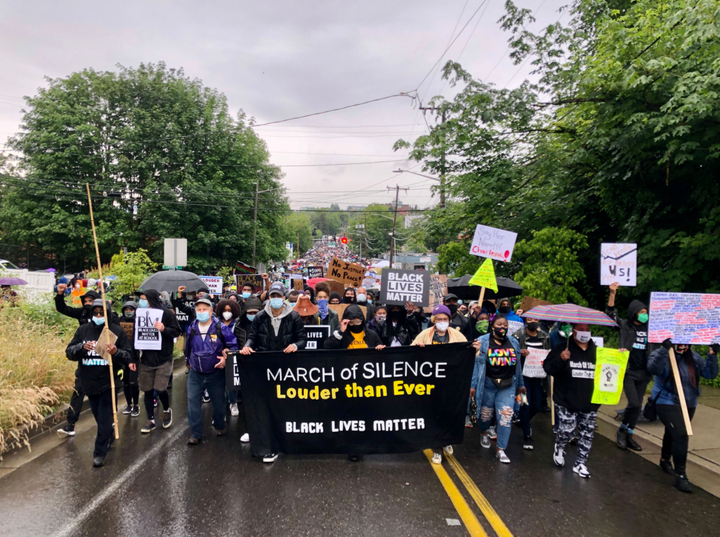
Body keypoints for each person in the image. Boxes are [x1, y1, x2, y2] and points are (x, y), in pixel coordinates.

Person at [240, 282, 306, 463]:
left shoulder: (294, 317)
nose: (276, 299)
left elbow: (302, 339)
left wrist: (295, 345)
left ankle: (287, 437)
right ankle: (262, 437)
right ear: (269, 298)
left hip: (287, 367)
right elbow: (252, 338)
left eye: (278, 296)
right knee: (264, 402)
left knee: (285, 402)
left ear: (284, 298)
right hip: (265, 366)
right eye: (273, 296)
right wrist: (247, 347)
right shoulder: (260, 316)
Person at [65, 299, 133, 467]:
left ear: (108, 314)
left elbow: (127, 356)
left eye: (101, 313)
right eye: (95, 313)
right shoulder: (83, 330)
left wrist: (115, 352)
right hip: (88, 381)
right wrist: (82, 348)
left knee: (104, 418)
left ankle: (99, 453)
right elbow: (69, 352)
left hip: (108, 382)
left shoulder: (115, 331)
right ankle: (108, 432)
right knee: (99, 417)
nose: (98, 316)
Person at [648, 340, 719, 493]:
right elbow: (653, 368)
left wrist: (712, 355)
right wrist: (663, 350)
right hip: (666, 401)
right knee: (681, 434)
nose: (682, 345)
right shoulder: (662, 353)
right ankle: (681, 475)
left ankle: (664, 459)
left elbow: (710, 374)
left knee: (673, 431)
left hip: (688, 402)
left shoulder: (693, 357)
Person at [325, 304, 385, 461]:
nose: (354, 325)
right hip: (346, 382)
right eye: (351, 322)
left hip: (366, 383)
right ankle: (352, 447)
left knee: (363, 415)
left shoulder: (371, 335)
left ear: (363, 320)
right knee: (349, 417)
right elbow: (327, 347)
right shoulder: (341, 335)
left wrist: (380, 349)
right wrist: (340, 331)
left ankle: (362, 444)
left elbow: (381, 353)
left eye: (357, 321)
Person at [412, 304, 467, 464]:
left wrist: (475, 348)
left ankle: (447, 440)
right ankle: (437, 448)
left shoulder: (457, 335)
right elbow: (411, 352)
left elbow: (468, 353)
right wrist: (418, 349)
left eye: (445, 319)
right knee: (434, 415)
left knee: (449, 414)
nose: (442, 321)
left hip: (451, 382)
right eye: (439, 319)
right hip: (431, 383)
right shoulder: (425, 334)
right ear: (434, 320)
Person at [543, 323, 599, 478]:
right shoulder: (562, 348)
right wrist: (561, 359)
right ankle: (560, 447)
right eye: (581, 329)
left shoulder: (598, 352)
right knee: (567, 431)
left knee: (587, 435)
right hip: (566, 399)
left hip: (589, 402)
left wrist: (620, 356)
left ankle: (580, 463)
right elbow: (548, 368)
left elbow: (612, 369)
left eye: (587, 330)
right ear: (573, 332)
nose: (584, 332)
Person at [469, 314, 525, 464]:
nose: (502, 327)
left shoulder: (514, 342)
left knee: (505, 417)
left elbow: (518, 366)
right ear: (492, 326)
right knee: (486, 415)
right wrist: (472, 385)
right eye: (499, 325)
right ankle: (483, 432)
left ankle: (501, 449)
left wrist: (520, 384)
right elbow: (476, 365)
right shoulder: (482, 341)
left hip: (508, 385)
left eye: (505, 325)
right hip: (487, 384)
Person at [185, 298, 238, 445]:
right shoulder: (192, 328)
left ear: (211, 311)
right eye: (199, 309)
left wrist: (225, 358)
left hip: (215, 374)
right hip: (195, 374)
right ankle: (196, 433)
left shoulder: (221, 328)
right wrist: (188, 363)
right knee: (192, 403)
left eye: (204, 309)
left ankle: (220, 426)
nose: (201, 312)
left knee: (219, 403)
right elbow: (187, 348)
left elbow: (233, 346)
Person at [607, 283, 652, 451]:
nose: (644, 315)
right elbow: (611, 315)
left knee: (638, 405)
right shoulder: (625, 326)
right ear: (634, 313)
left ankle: (629, 434)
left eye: (646, 312)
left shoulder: (650, 329)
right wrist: (612, 294)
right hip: (629, 371)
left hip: (645, 372)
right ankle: (621, 431)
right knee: (633, 403)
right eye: (641, 312)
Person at [55, 283, 102, 436]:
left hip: (102, 360)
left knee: (103, 393)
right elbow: (63, 309)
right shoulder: (82, 314)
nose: (88, 304)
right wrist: (60, 295)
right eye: (86, 301)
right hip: (85, 358)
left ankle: (107, 422)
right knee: (78, 390)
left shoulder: (107, 316)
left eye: (91, 301)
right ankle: (70, 424)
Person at [137, 289, 182, 434]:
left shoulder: (167, 314)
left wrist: (164, 329)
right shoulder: (139, 315)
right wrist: (133, 357)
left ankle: (167, 409)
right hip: (146, 359)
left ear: (152, 300)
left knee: (161, 388)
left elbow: (176, 331)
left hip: (163, 358)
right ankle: (150, 419)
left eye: (144, 299)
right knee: (147, 390)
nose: (142, 302)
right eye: (141, 299)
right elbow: (135, 338)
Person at [512, 317, 551, 450]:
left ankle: (524, 421)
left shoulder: (545, 337)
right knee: (525, 404)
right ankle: (526, 434)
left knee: (536, 404)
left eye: (535, 319)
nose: (532, 322)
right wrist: (519, 353)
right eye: (529, 319)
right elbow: (510, 353)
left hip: (538, 377)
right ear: (525, 321)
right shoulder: (517, 336)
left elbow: (548, 354)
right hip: (522, 377)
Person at [215, 299, 246, 417]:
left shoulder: (238, 323)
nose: (227, 312)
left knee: (232, 381)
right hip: (218, 355)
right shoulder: (215, 322)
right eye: (224, 310)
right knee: (219, 382)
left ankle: (233, 402)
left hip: (233, 354)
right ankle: (220, 407)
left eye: (229, 310)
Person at [118, 301, 141, 417]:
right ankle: (128, 404)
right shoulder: (119, 321)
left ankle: (136, 405)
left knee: (133, 382)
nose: (128, 312)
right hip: (122, 356)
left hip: (134, 356)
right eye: (126, 310)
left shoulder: (139, 322)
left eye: (131, 310)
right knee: (125, 383)